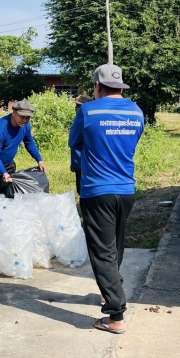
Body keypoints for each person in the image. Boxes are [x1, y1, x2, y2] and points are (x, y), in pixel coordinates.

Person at [68, 64, 144, 335]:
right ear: (120, 86)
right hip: (126, 190)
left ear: (97, 86)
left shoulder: (88, 111)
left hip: (97, 190)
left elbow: (74, 143)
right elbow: (132, 141)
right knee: (115, 244)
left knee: (102, 252)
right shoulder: (136, 111)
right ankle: (108, 291)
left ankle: (116, 315)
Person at [0, 100, 47, 196]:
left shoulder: (25, 126)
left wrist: (39, 160)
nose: (25, 120)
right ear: (14, 112)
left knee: (8, 192)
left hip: (8, 163)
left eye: (28, 117)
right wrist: (4, 173)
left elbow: (29, 143)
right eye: (22, 116)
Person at [70, 95, 92, 195]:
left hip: (85, 162)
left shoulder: (85, 120)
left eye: (79, 106)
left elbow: (72, 142)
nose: (76, 108)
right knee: (81, 190)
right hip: (79, 163)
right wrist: (73, 164)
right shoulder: (81, 119)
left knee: (84, 191)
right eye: (76, 106)